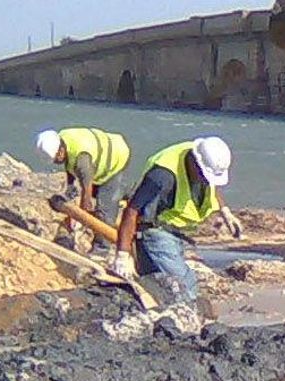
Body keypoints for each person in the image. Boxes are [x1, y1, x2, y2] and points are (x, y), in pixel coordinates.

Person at [110, 136, 243, 300]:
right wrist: (122, 255)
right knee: (184, 287)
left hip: (175, 232)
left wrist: (225, 212)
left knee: (158, 284)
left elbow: (211, 184)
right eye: (203, 175)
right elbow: (132, 210)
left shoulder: (201, 159)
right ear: (194, 162)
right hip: (155, 232)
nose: (205, 181)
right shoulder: (162, 175)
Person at [34, 126, 131, 252]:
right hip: (101, 157)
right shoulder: (63, 141)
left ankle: (102, 249)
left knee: (104, 209)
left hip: (116, 159)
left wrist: (79, 218)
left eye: (56, 158)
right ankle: (122, 198)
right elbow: (70, 167)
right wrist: (70, 189)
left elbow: (87, 194)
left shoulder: (81, 159)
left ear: (61, 150)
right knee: (102, 196)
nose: (56, 162)